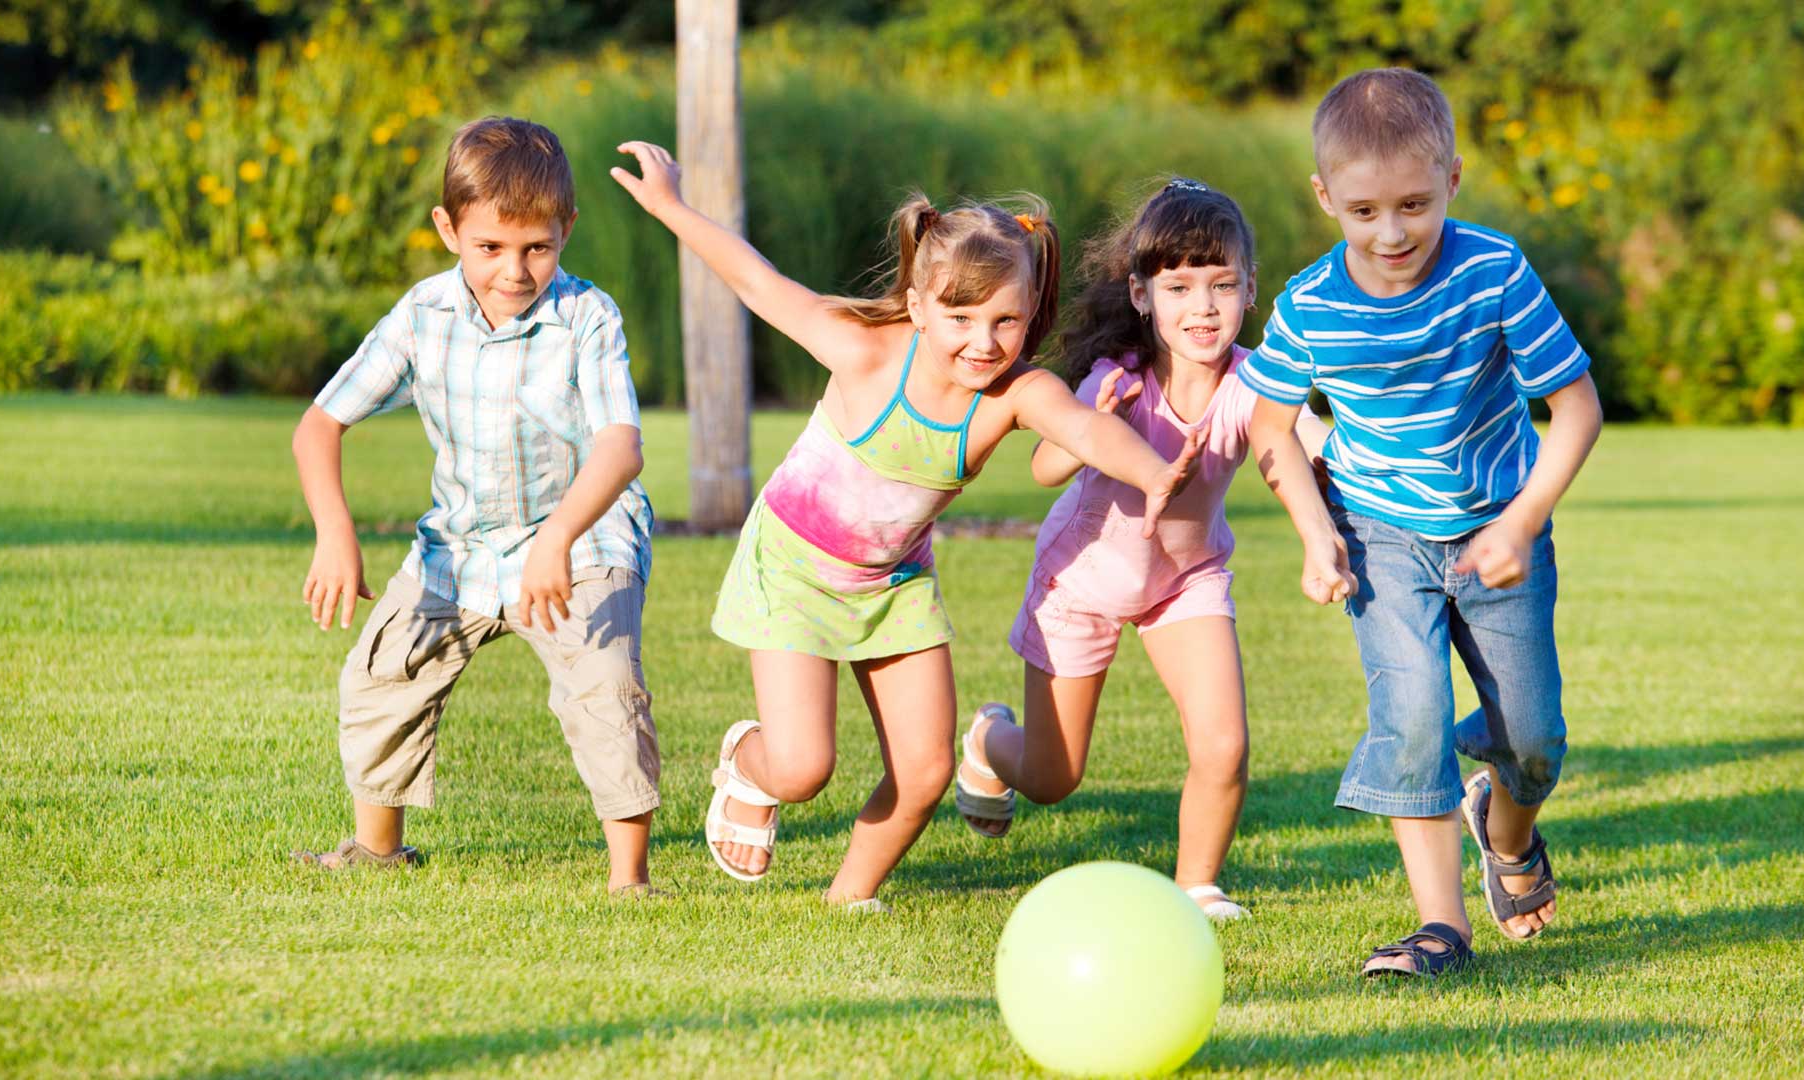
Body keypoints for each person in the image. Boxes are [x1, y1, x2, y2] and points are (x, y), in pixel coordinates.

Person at [611, 141, 1199, 910]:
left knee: (923, 773)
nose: (982, 342)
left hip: (893, 585)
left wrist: (1155, 472)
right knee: (803, 766)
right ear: (919, 306)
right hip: (792, 569)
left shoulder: (1015, 394)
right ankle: (752, 768)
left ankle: (846, 899)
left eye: (1006, 321)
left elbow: (1084, 430)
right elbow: (758, 282)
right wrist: (670, 207)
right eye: (960, 317)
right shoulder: (862, 351)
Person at [1242, 68, 1603, 976]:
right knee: (1410, 716)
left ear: (1453, 179)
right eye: (1363, 211)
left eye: (1413, 203)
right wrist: (1317, 534)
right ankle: (1442, 926)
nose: (1391, 232)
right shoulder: (1310, 305)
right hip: (1381, 537)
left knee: (1533, 738)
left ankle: (1508, 831)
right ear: (1326, 197)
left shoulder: (1493, 271)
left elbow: (1578, 406)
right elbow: (1269, 425)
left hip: (1496, 531)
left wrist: (1522, 523)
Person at [290, 117, 663, 899]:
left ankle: (630, 880)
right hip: (459, 548)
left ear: (566, 229)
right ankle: (377, 850)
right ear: (449, 229)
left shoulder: (588, 319)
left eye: (537, 247)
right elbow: (320, 424)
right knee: (383, 673)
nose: (515, 270)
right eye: (490, 247)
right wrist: (335, 532)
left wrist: (560, 534)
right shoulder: (423, 315)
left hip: (582, 538)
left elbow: (620, 448)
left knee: (604, 687)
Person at [955, 178, 1327, 922]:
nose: (1204, 307)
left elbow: (1303, 446)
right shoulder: (1116, 379)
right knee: (1052, 777)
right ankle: (989, 740)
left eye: (1223, 285)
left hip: (1184, 582)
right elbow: (1044, 467)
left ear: (1252, 289)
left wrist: (1345, 497)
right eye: (1180, 286)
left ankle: (1198, 886)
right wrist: (1089, 421)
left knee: (1223, 745)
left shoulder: (1256, 381)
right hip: (1081, 581)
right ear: (1140, 293)